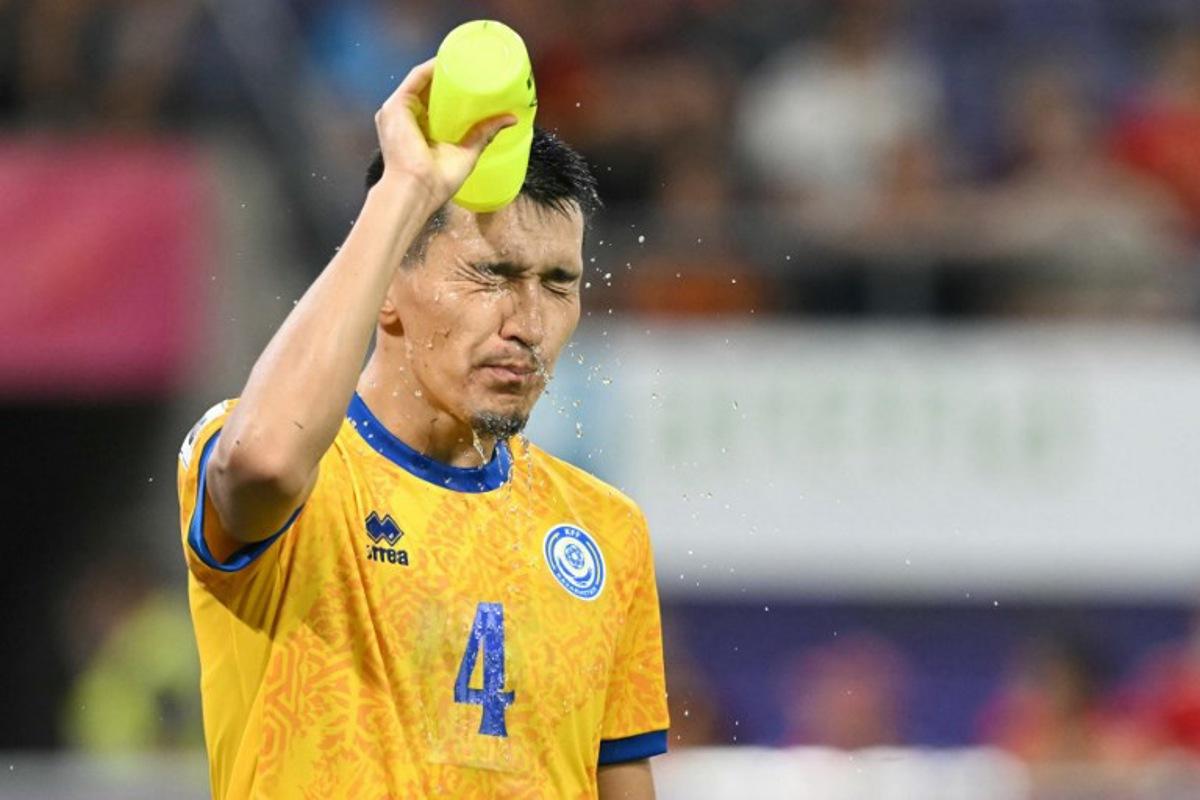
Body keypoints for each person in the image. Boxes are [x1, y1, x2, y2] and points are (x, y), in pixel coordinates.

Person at [175, 59, 669, 799]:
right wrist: (404, 189)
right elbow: (266, 465)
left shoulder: (606, 530)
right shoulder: (300, 472)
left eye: (558, 284)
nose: (528, 324)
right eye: (491, 276)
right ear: (386, 291)